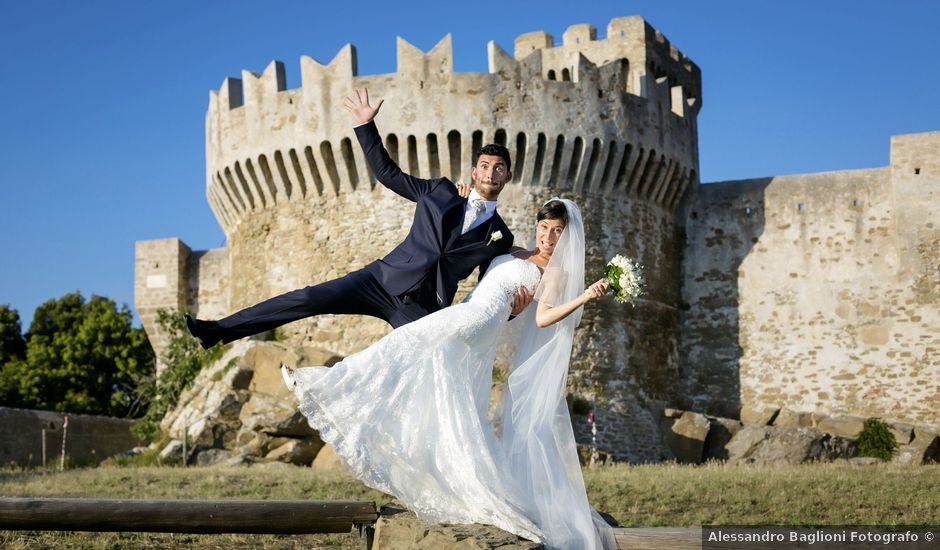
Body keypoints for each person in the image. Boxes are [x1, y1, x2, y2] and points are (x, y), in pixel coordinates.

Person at [282, 199, 615, 549]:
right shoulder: (515, 250)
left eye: (557, 232)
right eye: (544, 229)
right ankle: (455, 475)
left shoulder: (555, 272)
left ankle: (321, 383)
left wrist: (585, 296)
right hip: (472, 312)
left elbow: (543, 317)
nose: (548, 237)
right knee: (445, 391)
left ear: (566, 237)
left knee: (405, 342)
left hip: (479, 319)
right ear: (537, 227)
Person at [184, 88, 531, 349]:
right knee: (307, 299)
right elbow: (387, 173)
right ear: (474, 171)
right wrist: (366, 126)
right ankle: (218, 331)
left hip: (425, 305)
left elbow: (488, 289)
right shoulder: (440, 191)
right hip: (382, 279)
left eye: (498, 168)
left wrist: (513, 310)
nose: (490, 173)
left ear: (507, 177)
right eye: (484, 166)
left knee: (432, 355)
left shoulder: (499, 234)